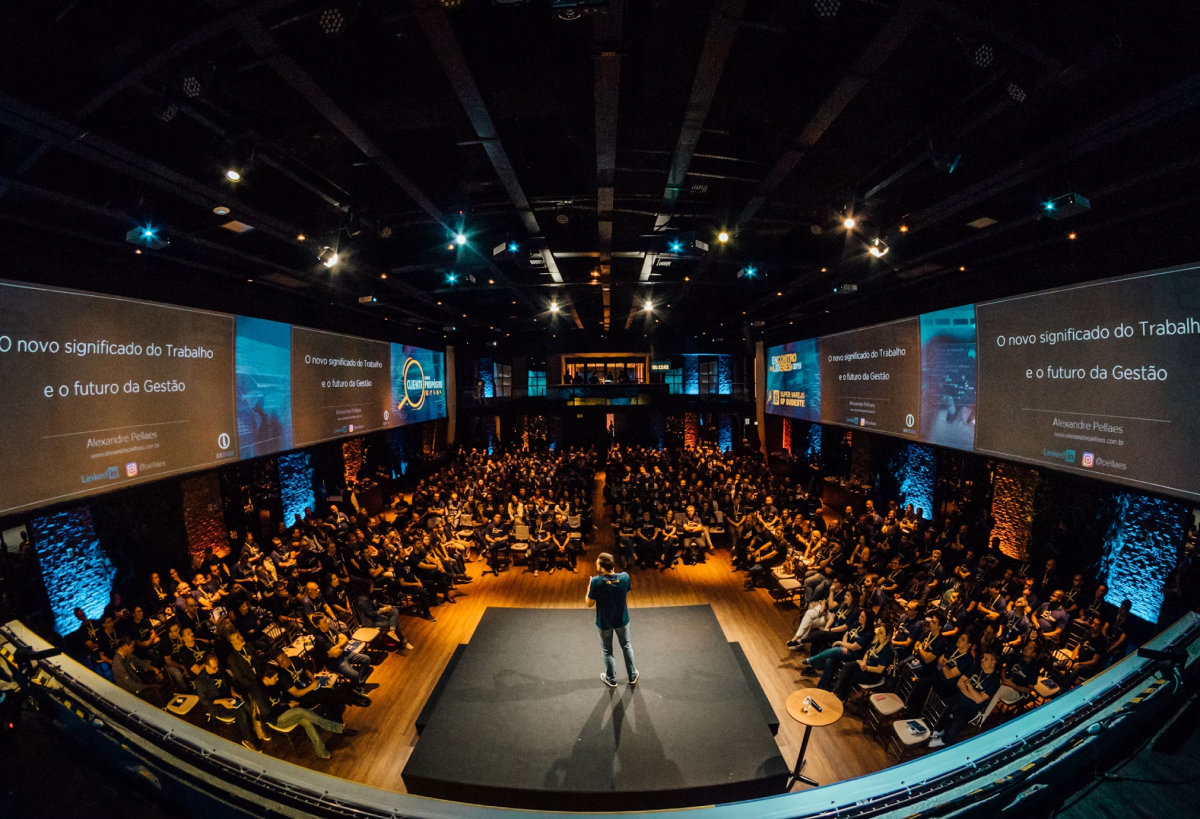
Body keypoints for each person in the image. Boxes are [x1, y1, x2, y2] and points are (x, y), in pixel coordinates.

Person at [260, 664, 356, 759]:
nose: (277, 679)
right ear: (266, 678)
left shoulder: (274, 685)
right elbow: (270, 713)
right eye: (275, 678)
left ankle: (321, 751)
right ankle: (335, 727)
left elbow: (280, 701)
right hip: (277, 719)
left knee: (306, 721)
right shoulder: (261, 693)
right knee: (301, 712)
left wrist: (288, 703)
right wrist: (288, 706)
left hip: (285, 710)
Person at [929, 649, 1002, 747]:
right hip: (959, 697)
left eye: (986, 659)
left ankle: (945, 740)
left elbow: (979, 700)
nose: (982, 660)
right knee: (940, 706)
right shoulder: (976, 667)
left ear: (993, 662)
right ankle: (940, 730)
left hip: (970, 708)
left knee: (955, 726)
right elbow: (960, 683)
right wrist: (973, 693)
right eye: (983, 657)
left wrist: (969, 685)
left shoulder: (994, 680)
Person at [586, 552, 638, 688]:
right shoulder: (625, 577)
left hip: (604, 622)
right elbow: (627, 593)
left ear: (602, 567)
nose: (595, 563)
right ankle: (632, 675)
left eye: (597, 562)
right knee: (626, 647)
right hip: (622, 619)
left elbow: (589, 603)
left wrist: (588, 589)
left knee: (607, 651)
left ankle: (611, 678)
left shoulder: (596, 581)